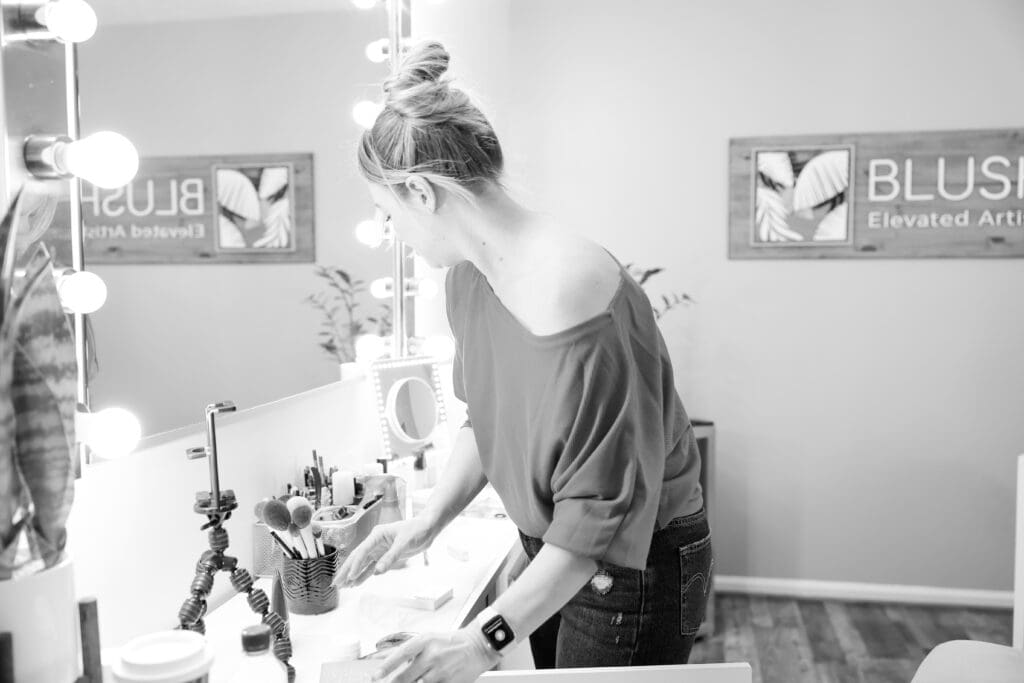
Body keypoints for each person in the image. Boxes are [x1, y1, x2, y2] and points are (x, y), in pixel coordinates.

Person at [334, 40, 711, 683]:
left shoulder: (576, 295)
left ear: (421, 192)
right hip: (563, 551)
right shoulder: (469, 279)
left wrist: (482, 644)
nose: (389, 231)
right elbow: (488, 418)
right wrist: (426, 523)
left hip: (634, 569)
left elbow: (602, 518)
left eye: (386, 213)